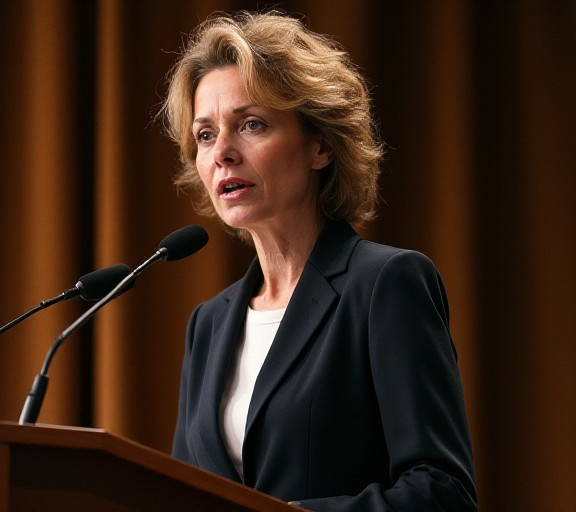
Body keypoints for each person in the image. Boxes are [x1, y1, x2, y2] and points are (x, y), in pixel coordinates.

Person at [160, 11, 477, 511]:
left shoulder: (385, 285)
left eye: (250, 125)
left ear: (320, 146)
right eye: (204, 135)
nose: (222, 152)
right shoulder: (210, 324)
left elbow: (442, 493)